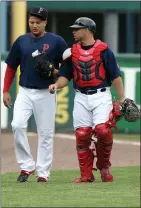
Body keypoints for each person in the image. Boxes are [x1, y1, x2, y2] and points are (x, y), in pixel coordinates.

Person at [49, 17, 125, 183]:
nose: (74, 31)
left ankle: (104, 167)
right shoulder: (72, 52)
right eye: (74, 28)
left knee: (103, 130)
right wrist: (56, 85)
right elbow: (65, 77)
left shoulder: (104, 50)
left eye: (77, 28)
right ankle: (86, 175)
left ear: (88, 30)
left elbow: (116, 76)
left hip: (101, 95)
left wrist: (122, 99)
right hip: (81, 96)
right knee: (82, 134)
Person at [3, 7, 68, 182]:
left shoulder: (57, 41)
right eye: (31, 22)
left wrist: (55, 72)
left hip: (46, 92)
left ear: (45, 22)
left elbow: (68, 66)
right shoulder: (21, 41)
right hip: (24, 91)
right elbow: (10, 67)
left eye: (38, 22)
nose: (34, 25)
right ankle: (27, 165)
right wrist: (5, 90)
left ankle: (43, 173)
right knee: (17, 125)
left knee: (45, 133)